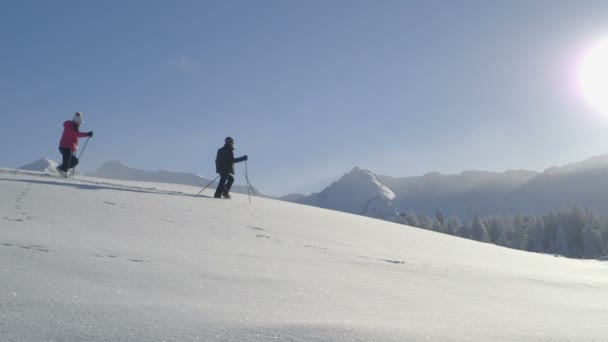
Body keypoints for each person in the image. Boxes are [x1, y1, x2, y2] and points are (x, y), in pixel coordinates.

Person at [56, 112, 93, 176]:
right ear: (77, 122)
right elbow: (77, 134)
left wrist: (75, 147)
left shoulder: (73, 127)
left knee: (74, 161)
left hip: (69, 147)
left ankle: (61, 169)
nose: (80, 125)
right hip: (66, 146)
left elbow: (75, 136)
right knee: (67, 160)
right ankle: (63, 171)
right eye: (79, 123)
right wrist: (87, 134)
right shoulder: (70, 127)